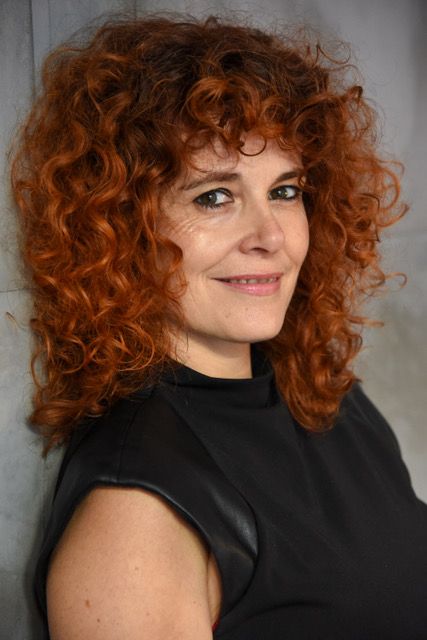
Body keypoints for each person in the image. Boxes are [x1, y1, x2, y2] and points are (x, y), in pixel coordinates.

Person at [11, 14, 427, 640]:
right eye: (214, 197)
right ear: (122, 227)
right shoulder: (135, 517)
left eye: (285, 191)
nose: (270, 236)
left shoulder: (321, 390)